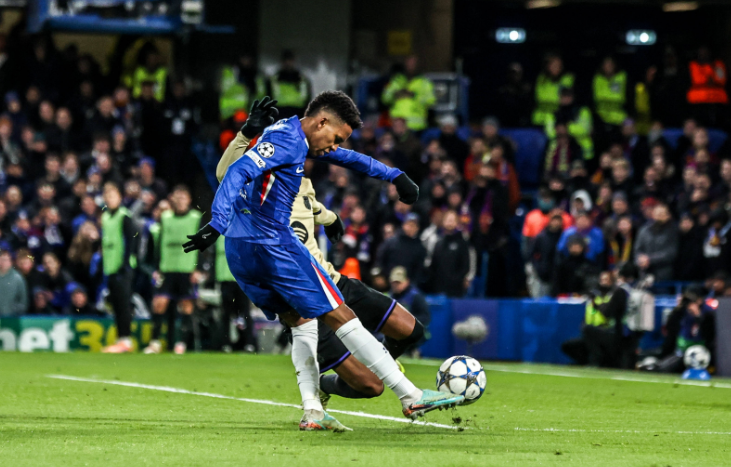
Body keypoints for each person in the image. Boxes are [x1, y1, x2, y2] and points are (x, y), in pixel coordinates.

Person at [184, 92, 463, 432]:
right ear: (321, 122)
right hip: (274, 244)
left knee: (299, 321)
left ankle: (313, 411)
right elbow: (238, 170)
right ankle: (410, 395)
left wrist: (393, 175)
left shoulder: (285, 133)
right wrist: (216, 220)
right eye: (336, 137)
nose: (335, 146)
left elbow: (345, 158)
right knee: (340, 313)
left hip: (240, 250)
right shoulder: (288, 140)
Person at [144, 185, 204, 355]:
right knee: (159, 304)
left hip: (187, 269)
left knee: (186, 306)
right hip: (167, 269)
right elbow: (160, 244)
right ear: (172, 199)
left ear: (189, 200)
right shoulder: (165, 217)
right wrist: (156, 267)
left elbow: (202, 244)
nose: (180, 201)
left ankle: (181, 343)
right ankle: (155, 342)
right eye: (177, 197)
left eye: (183, 197)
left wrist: (198, 268)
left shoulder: (195, 217)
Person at [100, 183, 139, 353]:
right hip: (110, 267)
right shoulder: (105, 217)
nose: (109, 199)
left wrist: (125, 263)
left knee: (123, 304)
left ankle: (126, 339)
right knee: (115, 304)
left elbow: (132, 240)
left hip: (123, 268)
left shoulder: (124, 216)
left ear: (119, 198)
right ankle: (120, 338)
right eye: (107, 196)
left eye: (112, 196)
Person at [643, 287, 716, 373]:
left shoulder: (707, 313)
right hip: (681, 351)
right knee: (665, 365)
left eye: (692, 300)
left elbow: (708, 334)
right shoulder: (683, 311)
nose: (689, 303)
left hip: (699, 351)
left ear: (699, 300)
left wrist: (697, 316)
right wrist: (678, 309)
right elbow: (670, 327)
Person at [214, 236, 258, 352]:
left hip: (241, 279)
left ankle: (248, 343)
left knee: (244, 312)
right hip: (225, 279)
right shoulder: (221, 234)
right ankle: (226, 343)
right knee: (226, 313)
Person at [381, 55, 436, 132]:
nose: (410, 66)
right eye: (408, 63)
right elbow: (385, 99)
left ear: (418, 65)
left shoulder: (424, 83)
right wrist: (395, 95)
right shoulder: (396, 80)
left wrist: (414, 95)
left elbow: (431, 101)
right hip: (396, 125)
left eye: (413, 64)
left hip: (416, 126)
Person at [426, 210, 472, 297]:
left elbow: (466, 266)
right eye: (448, 220)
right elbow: (433, 265)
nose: (450, 222)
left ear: (457, 223)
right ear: (443, 222)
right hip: (439, 288)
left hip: (456, 289)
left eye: (452, 220)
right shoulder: (438, 243)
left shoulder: (462, 243)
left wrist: (456, 280)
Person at [545, 87, 593, 166]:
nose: (566, 98)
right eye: (564, 96)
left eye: (568, 95)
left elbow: (585, 130)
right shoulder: (553, 112)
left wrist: (567, 128)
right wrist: (560, 132)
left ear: (573, 97)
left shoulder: (582, 111)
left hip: (581, 150)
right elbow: (550, 132)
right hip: (560, 149)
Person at [375, 212, 427, 286]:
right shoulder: (390, 242)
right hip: (387, 283)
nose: (410, 228)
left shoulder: (420, 248)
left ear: (417, 228)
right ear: (403, 225)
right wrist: (380, 276)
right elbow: (379, 259)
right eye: (408, 225)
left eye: (413, 226)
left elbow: (419, 270)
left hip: (407, 286)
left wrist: (410, 284)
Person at [634, 203, 679, 282]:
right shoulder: (644, 230)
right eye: (657, 214)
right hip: (645, 274)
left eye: (662, 214)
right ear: (653, 214)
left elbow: (671, 253)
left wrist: (650, 259)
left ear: (668, 216)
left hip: (664, 275)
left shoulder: (673, 231)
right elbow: (637, 250)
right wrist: (640, 259)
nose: (659, 217)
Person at [687, 46, 728, 128]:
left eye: (705, 52)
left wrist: (712, 78)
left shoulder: (718, 64)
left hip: (717, 101)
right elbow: (697, 80)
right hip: (698, 102)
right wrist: (709, 78)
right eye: (701, 52)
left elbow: (721, 80)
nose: (703, 54)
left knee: (718, 124)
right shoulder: (693, 65)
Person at [219, 53, 266, 120]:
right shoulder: (231, 72)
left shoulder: (256, 75)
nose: (246, 62)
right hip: (231, 111)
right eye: (244, 59)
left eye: (248, 59)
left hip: (250, 112)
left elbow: (261, 94)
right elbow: (224, 90)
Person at [527, 214, 564, 298]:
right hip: (541, 273)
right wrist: (538, 266)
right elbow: (530, 254)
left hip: (558, 275)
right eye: (554, 220)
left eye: (558, 220)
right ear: (549, 221)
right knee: (539, 299)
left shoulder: (563, 236)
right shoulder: (541, 237)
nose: (556, 223)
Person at [532, 53, 574, 127]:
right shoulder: (541, 79)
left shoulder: (567, 79)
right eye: (554, 65)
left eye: (559, 65)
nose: (557, 68)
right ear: (547, 66)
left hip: (561, 117)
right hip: (541, 116)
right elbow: (539, 98)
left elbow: (566, 100)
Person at [268, 50, 311, 119]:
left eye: (290, 60)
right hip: (280, 113)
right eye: (286, 61)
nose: (288, 63)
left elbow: (307, 99)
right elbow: (269, 97)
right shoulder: (275, 79)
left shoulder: (302, 80)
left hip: (298, 113)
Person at [0, 249, 27, 315]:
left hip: (12, 317)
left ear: (10, 261)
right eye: (1, 259)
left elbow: (23, 301)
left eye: (5, 260)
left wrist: (14, 311)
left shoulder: (17, 278)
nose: (3, 262)